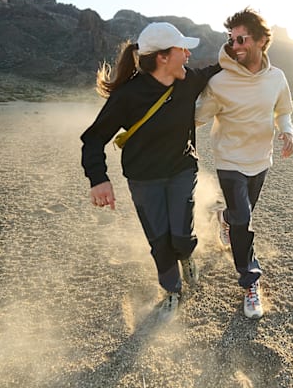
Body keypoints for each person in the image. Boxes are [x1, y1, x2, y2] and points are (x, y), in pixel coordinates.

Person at [80, 22, 220, 323]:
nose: (188, 55)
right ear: (163, 57)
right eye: (182, 50)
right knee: (159, 240)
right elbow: (93, 139)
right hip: (144, 180)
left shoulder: (188, 81)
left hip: (182, 170)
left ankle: (187, 255)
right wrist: (99, 179)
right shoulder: (128, 96)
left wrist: (244, 49)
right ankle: (171, 291)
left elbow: (217, 69)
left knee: (181, 238)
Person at [195, 7, 293, 319]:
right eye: (231, 39)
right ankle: (250, 281)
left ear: (262, 41)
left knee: (242, 213)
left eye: (242, 38)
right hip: (229, 160)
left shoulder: (277, 78)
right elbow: (198, 116)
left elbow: (284, 111)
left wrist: (288, 132)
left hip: (260, 159)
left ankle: (224, 217)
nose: (235, 45)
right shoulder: (220, 81)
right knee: (245, 221)